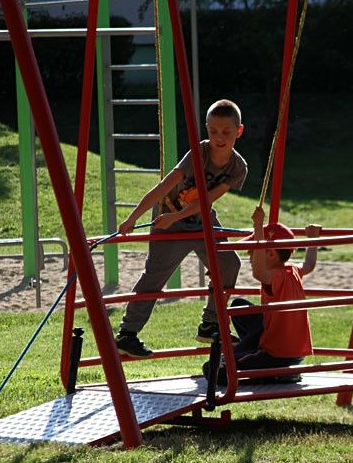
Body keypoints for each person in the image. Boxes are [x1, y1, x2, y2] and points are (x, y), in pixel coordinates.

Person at [115, 99, 248, 357]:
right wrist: (133, 217)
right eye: (213, 131)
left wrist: (176, 217)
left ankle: (210, 324)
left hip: (200, 221)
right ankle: (127, 334)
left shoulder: (238, 167)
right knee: (154, 276)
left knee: (229, 264)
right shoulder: (199, 154)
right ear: (206, 129)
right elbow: (165, 186)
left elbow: (206, 200)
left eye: (226, 132)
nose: (219, 138)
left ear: (238, 131)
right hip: (169, 221)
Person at [205, 206, 321, 384]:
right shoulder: (292, 269)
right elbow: (309, 265)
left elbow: (258, 272)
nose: (249, 256)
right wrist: (313, 238)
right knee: (239, 306)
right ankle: (249, 352)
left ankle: (276, 375)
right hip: (293, 352)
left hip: (277, 355)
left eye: (252, 251)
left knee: (212, 370)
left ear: (271, 254)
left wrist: (258, 227)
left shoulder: (273, 276)